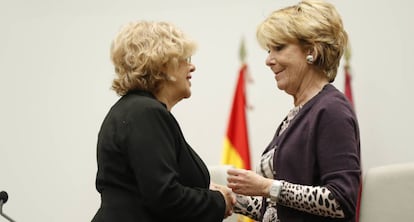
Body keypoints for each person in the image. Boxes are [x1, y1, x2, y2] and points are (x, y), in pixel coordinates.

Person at [226, 1, 361, 222]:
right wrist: (225, 197)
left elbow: (341, 199)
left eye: (278, 48)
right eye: (269, 50)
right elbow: (275, 208)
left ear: (311, 51)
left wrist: (269, 187)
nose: (268, 60)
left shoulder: (332, 109)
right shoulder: (299, 113)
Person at [91, 20, 235, 222]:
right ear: (162, 63)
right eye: (185, 58)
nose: (192, 66)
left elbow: (150, 187)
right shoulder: (146, 113)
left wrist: (206, 192)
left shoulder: (134, 111)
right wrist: (218, 201)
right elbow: (164, 197)